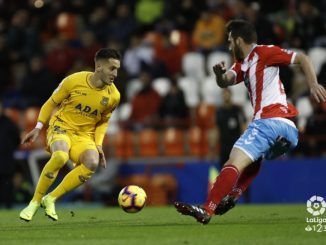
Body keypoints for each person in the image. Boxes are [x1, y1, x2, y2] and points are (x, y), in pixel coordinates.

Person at [174, 20, 326, 224]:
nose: (228, 46)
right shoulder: (243, 65)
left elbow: (302, 57)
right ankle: (234, 194)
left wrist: (313, 84)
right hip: (288, 131)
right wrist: (219, 75)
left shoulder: (264, 52)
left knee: (233, 161)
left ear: (238, 40)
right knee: (254, 157)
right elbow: (225, 81)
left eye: (229, 41)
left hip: (268, 121)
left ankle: (207, 208)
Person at [19, 48, 121, 221]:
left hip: (84, 136)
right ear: (98, 67)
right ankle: (34, 202)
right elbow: (50, 103)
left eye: (117, 69)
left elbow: (103, 122)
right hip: (61, 127)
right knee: (60, 156)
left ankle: (50, 198)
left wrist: (98, 144)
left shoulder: (114, 96)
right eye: (112, 68)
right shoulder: (73, 81)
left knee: (92, 162)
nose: (116, 74)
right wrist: (38, 127)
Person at [0, 100, 21, 208]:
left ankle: (8, 206)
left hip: (6, 160)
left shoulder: (8, 123)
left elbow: (17, 139)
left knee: (7, 184)